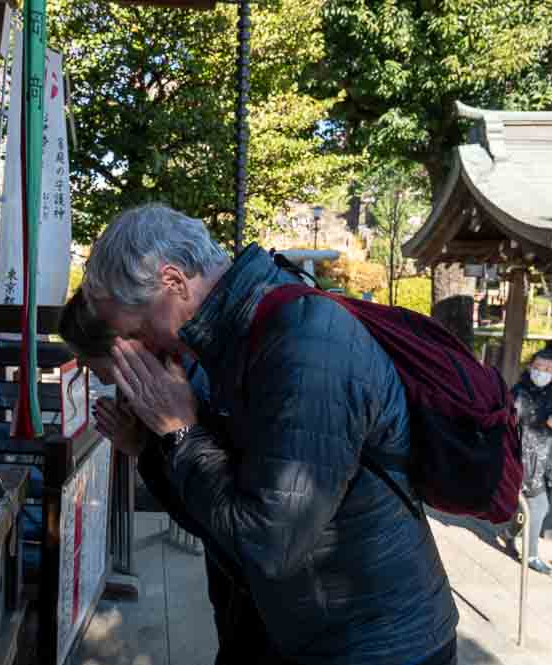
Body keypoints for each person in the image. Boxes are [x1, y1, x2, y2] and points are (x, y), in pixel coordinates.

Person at [81, 203, 458, 665]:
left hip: (376, 641)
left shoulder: (306, 345)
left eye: (139, 329)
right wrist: (154, 446)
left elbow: (268, 544)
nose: (142, 348)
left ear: (174, 282)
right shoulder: (232, 340)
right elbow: (218, 520)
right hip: (298, 626)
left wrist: (181, 432)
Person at [58, 289, 269, 665]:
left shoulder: (190, 387)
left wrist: (167, 437)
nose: (94, 375)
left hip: (266, 595)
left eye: (93, 364)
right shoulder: (180, 378)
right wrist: (143, 445)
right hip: (241, 584)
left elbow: (217, 517)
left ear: (122, 348)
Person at [502, 350, 552, 574]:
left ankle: (509, 534)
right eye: (538, 367)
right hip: (525, 457)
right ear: (530, 367)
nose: (542, 372)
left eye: (548, 369)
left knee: (533, 507)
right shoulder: (518, 393)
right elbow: (511, 423)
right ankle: (530, 555)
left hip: (547, 457)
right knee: (539, 506)